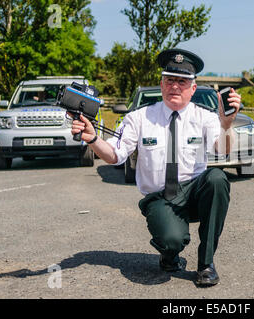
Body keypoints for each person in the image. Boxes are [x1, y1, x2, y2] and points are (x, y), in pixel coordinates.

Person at [70, 48, 241, 286]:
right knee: (172, 240)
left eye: (182, 82)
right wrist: (92, 139)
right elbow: (115, 155)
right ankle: (169, 255)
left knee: (217, 178)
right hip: (160, 197)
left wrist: (227, 123)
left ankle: (206, 264)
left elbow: (222, 150)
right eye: (170, 80)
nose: (175, 86)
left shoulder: (205, 117)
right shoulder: (138, 118)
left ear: (192, 89)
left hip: (194, 192)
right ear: (161, 84)